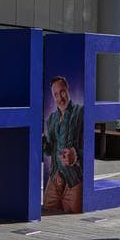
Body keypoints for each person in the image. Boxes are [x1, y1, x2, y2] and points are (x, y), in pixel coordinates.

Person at [43, 75, 84, 214]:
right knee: (46, 215)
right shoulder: (51, 119)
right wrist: (42, 142)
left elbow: (91, 146)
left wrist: (76, 155)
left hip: (73, 182)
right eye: (55, 94)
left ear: (68, 90)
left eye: (62, 92)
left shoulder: (80, 112)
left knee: (75, 220)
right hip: (54, 180)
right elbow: (49, 151)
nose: (60, 98)